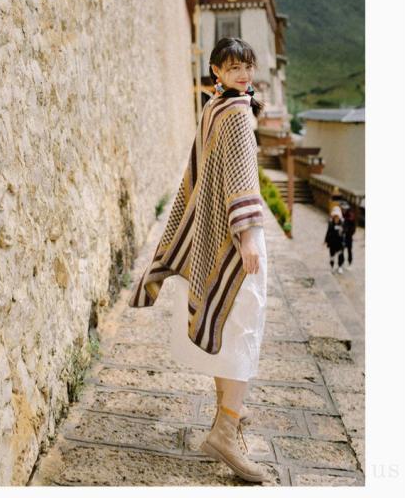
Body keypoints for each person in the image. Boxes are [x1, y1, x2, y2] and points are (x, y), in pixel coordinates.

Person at [128, 37, 270, 483]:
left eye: (247, 67)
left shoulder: (213, 107)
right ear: (216, 72)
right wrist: (247, 237)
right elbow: (240, 176)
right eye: (233, 68)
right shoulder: (236, 111)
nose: (243, 75)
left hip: (218, 231)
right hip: (239, 234)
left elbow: (205, 171)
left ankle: (226, 412)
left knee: (227, 324)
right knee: (244, 326)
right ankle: (225, 430)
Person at [324, 205, 345, 274]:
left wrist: (342, 232)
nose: (336, 218)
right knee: (332, 256)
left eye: (337, 217)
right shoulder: (331, 223)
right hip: (332, 242)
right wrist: (326, 240)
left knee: (340, 255)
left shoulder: (342, 223)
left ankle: (340, 267)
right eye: (335, 217)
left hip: (339, 243)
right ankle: (332, 267)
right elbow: (328, 232)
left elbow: (345, 232)